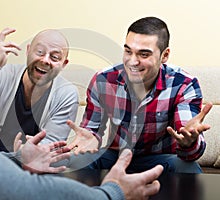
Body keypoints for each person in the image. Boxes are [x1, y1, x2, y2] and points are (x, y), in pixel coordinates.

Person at [0, 4, 164, 200]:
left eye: (55, 56)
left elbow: (41, 156)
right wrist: (113, 193)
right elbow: (19, 188)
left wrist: (18, 158)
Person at [67, 16, 212, 174]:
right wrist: (90, 138)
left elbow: (188, 141)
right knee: (78, 161)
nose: (132, 62)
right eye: (128, 51)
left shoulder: (183, 84)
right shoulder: (103, 80)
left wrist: (188, 142)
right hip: (116, 156)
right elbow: (90, 131)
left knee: (187, 168)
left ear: (164, 55)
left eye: (143, 54)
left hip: (161, 159)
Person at [0, 27, 79, 152]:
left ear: (64, 64)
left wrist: (25, 153)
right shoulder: (3, 74)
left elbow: (50, 147)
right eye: (40, 52)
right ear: (28, 50)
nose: (45, 60)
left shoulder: (67, 94)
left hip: (31, 166)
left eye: (55, 57)